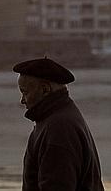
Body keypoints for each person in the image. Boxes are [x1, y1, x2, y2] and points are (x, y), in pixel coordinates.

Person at [14, 58, 105, 191]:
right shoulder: (60, 117)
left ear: (45, 89)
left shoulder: (58, 129)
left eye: (25, 92)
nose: (22, 100)